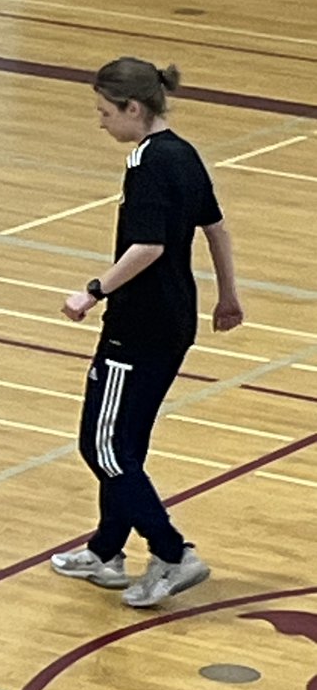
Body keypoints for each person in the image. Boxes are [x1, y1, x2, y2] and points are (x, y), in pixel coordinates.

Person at [50, 57, 243, 607]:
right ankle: (108, 550)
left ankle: (173, 552)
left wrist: (92, 291)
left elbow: (149, 246)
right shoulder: (183, 153)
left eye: (106, 112)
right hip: (175, 318)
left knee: (103, 445)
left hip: (137, 326)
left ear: (134, 108)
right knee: (126, 442)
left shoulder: (148, 164)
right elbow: (217, 227)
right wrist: (228, 294)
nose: (101, 122)